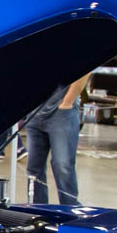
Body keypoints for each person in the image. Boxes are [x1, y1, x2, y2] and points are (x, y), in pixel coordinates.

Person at [24, 75, 89, 205]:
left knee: (62, 165)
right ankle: (37, 210)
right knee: (34, 169)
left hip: (62, 113)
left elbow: (85, 71)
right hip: (35, 112)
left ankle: (70, 210)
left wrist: (68, 102)